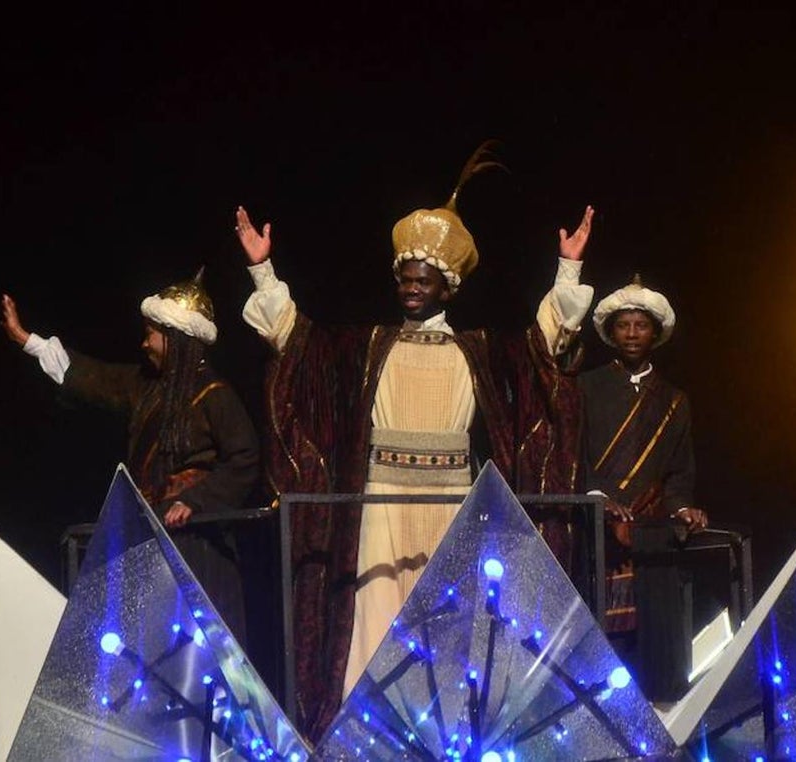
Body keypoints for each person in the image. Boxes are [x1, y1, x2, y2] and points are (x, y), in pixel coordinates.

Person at [234, 143, 595, 740]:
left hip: (453, 503)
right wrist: (261, 270)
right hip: (378, 501)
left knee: (453, 619)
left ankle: (446, 733)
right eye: (404, 279)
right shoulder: (368, 347)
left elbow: (542, 350)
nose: (410, 289)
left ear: (446, 287)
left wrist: (568, 270)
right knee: (377, 616)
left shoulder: (475, 350)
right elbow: (296, 344)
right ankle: (364, 736)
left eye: (422, 280)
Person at [0, 270, 260, 644]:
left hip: (197, 543)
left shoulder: (214, 393)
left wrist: (195, 500)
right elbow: (93, 378)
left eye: (152, 334)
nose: (145, 343)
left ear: (174, 339)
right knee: (150, 649)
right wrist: (29, 341)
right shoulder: (145, 386)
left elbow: (245, 458)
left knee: (200, 651)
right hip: (151, 534)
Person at [580, 273, 708, 702]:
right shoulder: (586, 387)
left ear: (655, 333)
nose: (632, 333)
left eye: (640, 325)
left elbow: (678, 473)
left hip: (651, 535)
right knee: (599, 643)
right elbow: (573, 457)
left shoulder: (675, 399)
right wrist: (598, 499)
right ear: (611, 333)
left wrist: (683, 508)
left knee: (650, 647)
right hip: (597, 533)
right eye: (623, 325)